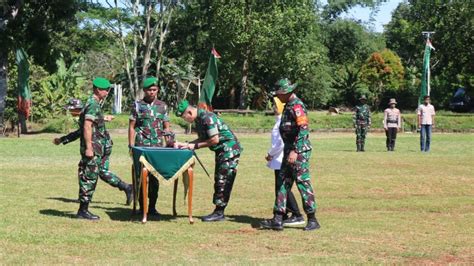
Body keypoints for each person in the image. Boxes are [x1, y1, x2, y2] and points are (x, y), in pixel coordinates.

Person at [260, 78, 320, 231]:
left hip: (298, 152)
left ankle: (312, 219)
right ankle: (278, 218)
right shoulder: (288, 106)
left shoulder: (298, 106)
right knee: (282, 184)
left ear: (287, 93)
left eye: (280, 94)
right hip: (288, 151)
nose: (277, 97)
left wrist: (295, 150)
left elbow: (303, 129)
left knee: (302, 183)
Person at [53, 99, 133, 206]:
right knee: (101, 171)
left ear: (76, 109)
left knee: (87, 169)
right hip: (105, 145)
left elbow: (80, 132)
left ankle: (85, 199)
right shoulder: (87, 113)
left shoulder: (85, 115)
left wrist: (62, 139)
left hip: (98, 147)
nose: (70, 113)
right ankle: (127, 188)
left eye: (71, 110)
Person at [174, 100, 242, 222]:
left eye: (184, 117)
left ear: (189, 112)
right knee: (219, 179)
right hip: (222, 151)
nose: (185, 120)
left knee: (223, 180)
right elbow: (203, 138)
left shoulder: (207, 117)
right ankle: (218, 211)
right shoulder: (199, 119)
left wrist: (194, 146)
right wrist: (186, 144)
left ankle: (219, 212)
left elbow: (214, 140)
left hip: (229, 150)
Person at [76, 77, 132, 220]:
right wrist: (89, 148)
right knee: (89, 177)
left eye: (108, 90)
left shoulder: (94, 104)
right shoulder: (93, 104)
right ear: (97, 90)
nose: (107, 93)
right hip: (93, 148)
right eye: (105, 90)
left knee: (97, 173)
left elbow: (92, 123)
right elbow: (86, 126)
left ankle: (127, 188)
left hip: (99, 147)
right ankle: (83, 211)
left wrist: (103, 118)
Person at [128, 77, 175, 216]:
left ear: (157, 90)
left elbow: (166, 126)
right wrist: (130, 145)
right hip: (141, 146)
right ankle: (143, 207)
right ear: (144, 90)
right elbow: (131, 127)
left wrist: (169, 144)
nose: (152, 92)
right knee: (141, 178)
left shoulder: (162, 106)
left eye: (154, 90)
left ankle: (153, 207)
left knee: (155, 178)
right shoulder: (137, 105)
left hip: (157, 147)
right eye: (149, 90)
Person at [265, 96, 304, 226]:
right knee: (281, 187)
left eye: (275, 105)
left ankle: (296, 214)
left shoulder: (280, 122)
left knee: (283, 187)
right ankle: (284, 214)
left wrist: (270, 154)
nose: (273, 108)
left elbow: (279, 144)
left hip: (280, 158)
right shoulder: (279, 121)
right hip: (279, 158)